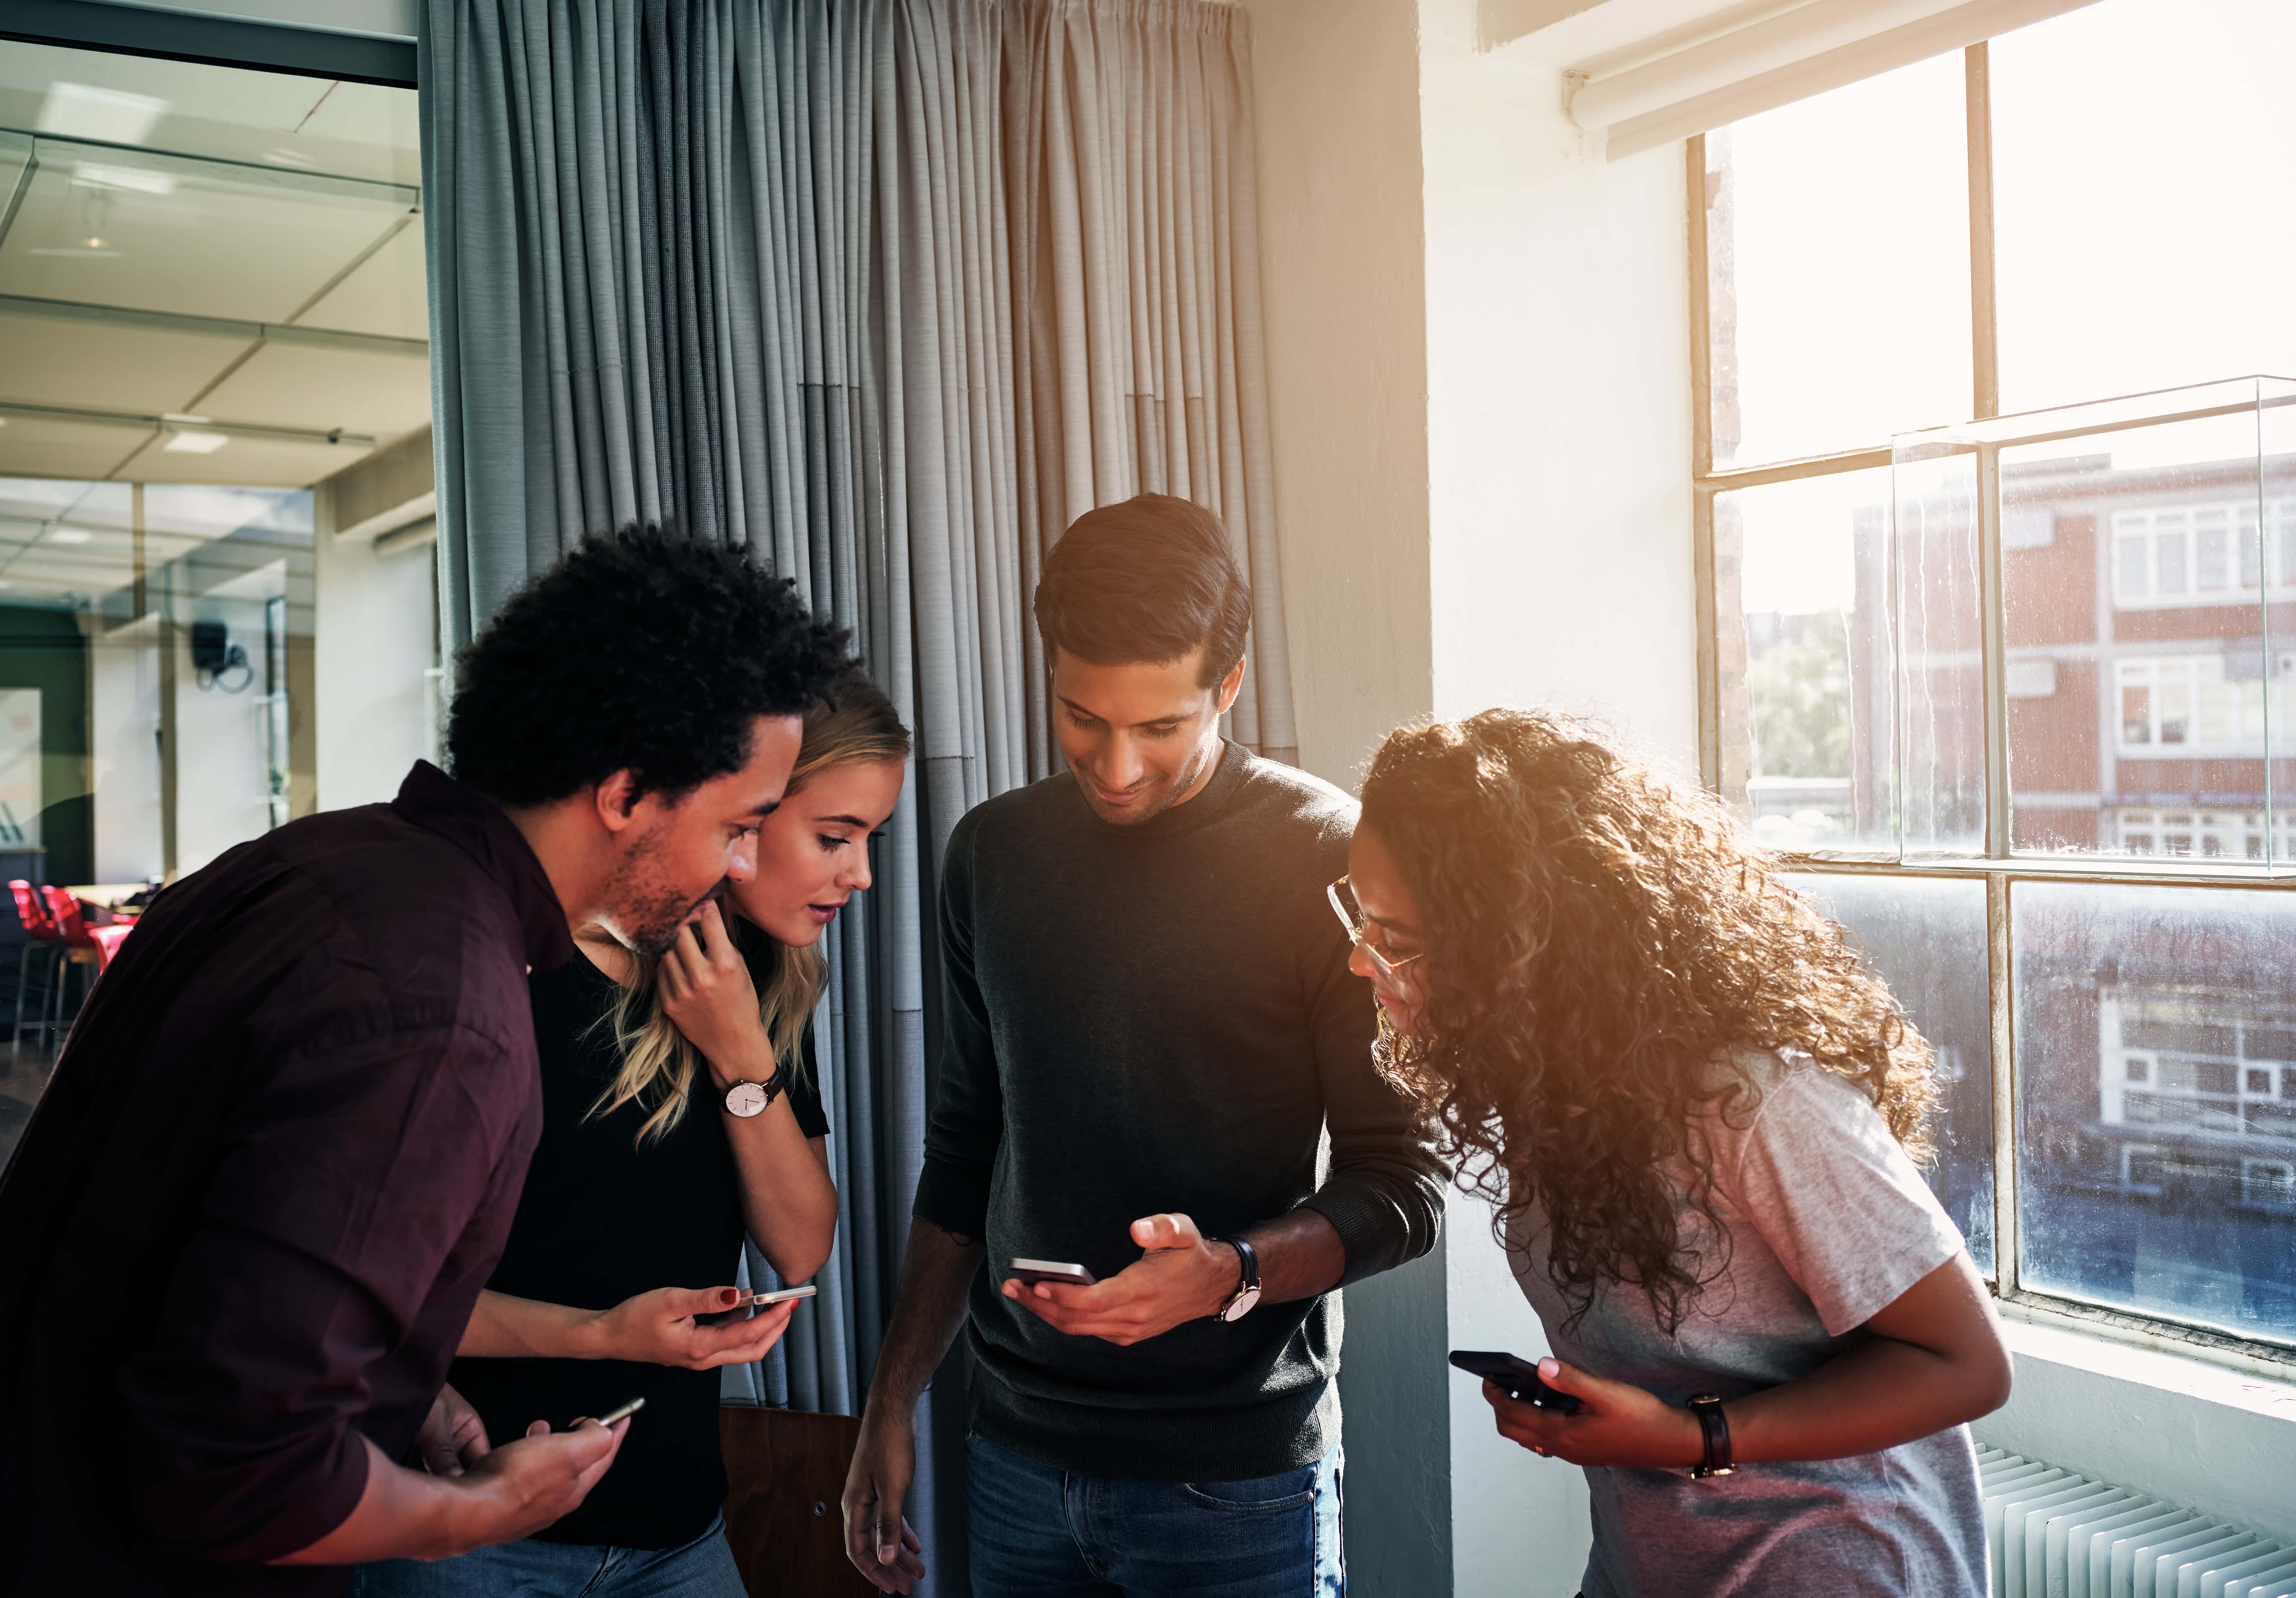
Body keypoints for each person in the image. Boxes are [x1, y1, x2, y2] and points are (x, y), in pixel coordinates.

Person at [0, 525, 848, 1597]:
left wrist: (396, 1390)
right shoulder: (448, 1008)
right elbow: (237, 1468)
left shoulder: (304, 862)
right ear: (627, 794)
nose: (738, 866)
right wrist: (486, 1509)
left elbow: (204, 1266)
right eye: (741, 825)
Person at [841, 494, 1445, 1598]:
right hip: (1016, 1455)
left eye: (1159, 727)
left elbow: (1402, 1189)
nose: (1115, 765)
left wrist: (1233, 1273)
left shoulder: (1326, 856)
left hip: (1239, 1483)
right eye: (1082, 717)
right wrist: (891, 1400)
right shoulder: (991, 854)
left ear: (1228, 685)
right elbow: (969, 1145)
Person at [1343, 708, 2013, 1598]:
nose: (1362, 962)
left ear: (1522, 950)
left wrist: (1692, 1440)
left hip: (1836, 1569)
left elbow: (1966, 1367)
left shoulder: (1761, 1105)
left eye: (1398, 939)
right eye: (1362, 919)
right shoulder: (1558, 1086)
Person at [352, 671, 911, 1598]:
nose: (856, 876)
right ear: (744, 810)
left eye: (864, 844)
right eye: (833, 839)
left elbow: (803, 1241)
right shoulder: (513, 974)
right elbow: (393, 1293)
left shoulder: (755, 984)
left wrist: (739, 1054)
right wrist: (604, 1336)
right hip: (475, 1528)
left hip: (676, 1529)